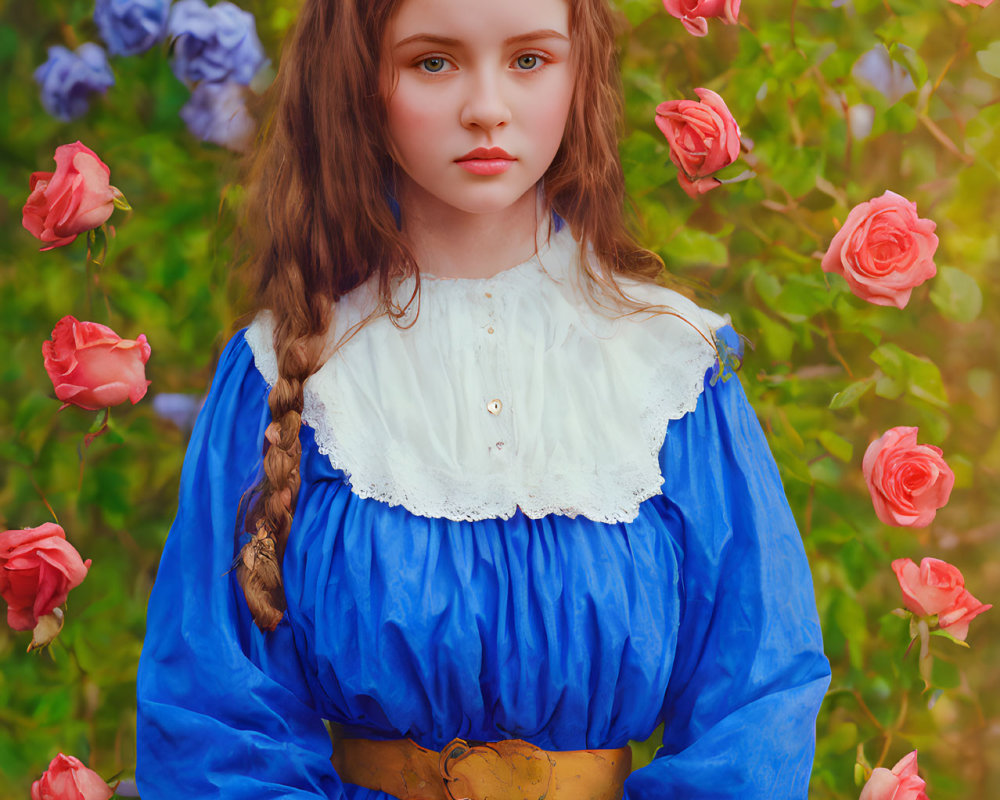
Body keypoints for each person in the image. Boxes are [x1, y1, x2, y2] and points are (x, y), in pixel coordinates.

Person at [136, 0, 831, 797]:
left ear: (581, 73)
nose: (488, 109)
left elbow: (755, 698)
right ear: (358, 79)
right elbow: (216, 715)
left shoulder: (673, 364)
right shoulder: (282, 370)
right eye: (433, 62)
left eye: (530, 60)